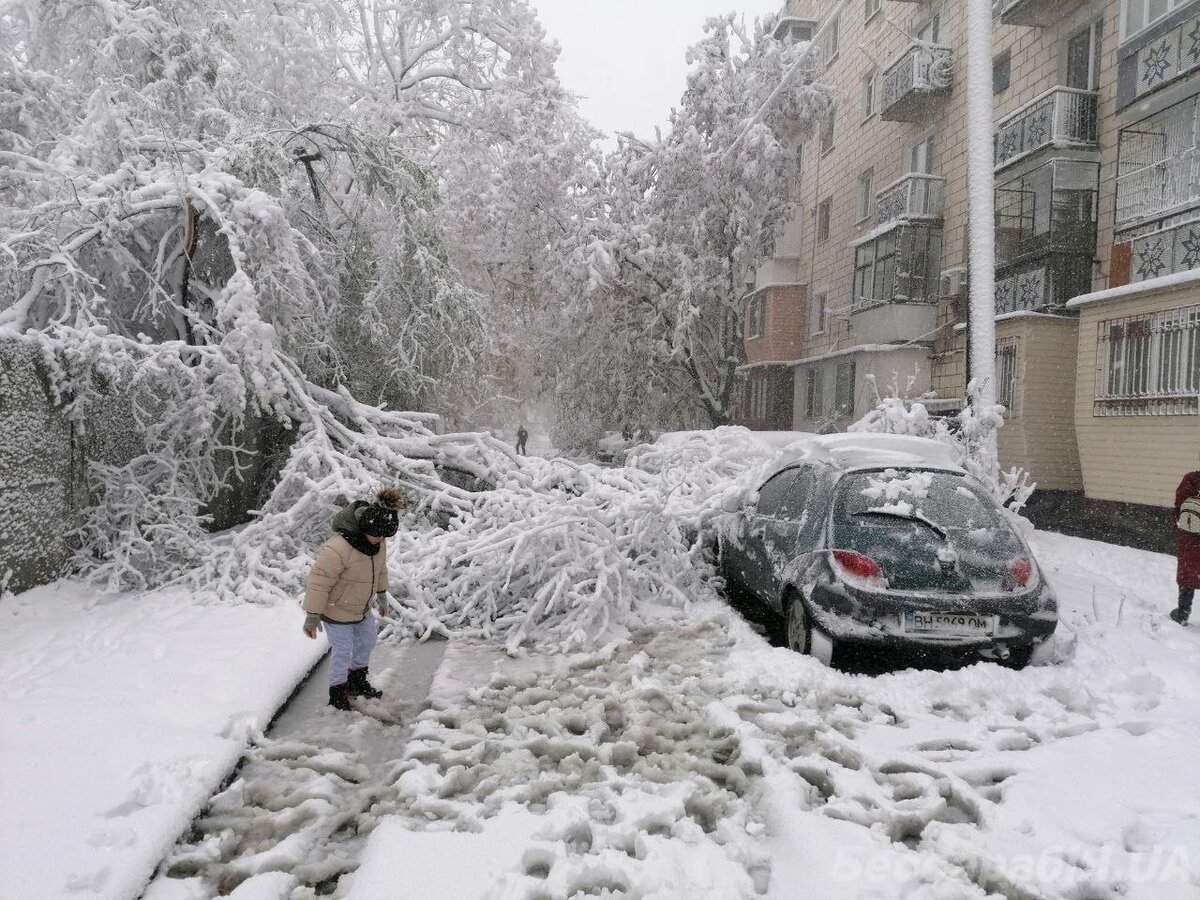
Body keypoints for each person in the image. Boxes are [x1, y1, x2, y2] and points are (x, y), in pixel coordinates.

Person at [302, 486, 405, 709]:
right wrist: (312, 616)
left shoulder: (378, 542)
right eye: (377, 535)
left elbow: (380, 569)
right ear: (365, 528)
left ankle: (357, 682)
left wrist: (382, 595)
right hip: (336, 610)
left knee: (367, 641)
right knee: (343, 651)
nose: (380, 540)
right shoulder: (338, 548)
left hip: (361, 609)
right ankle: (337, 692)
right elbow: (319, 581)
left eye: (384, 536)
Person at [1170, 467, 1200, 625]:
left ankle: (1182, 613)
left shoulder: (1191, 479)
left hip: (1189, 539)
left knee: (1187, 575)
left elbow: (1178, 505)